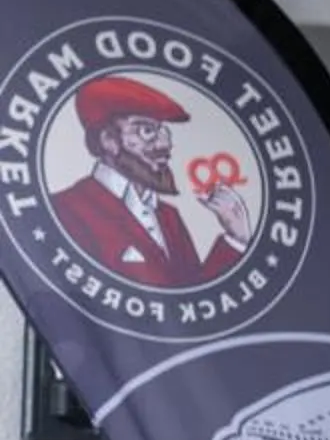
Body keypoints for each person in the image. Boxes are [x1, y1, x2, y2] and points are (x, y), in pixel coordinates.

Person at [47, 73, 253, 287]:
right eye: (146, 131)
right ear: (108, 140)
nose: (164, 145)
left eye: (163, 131)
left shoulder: (169, 216)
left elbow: (193, 301)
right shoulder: (65, 209)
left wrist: (235, 237)